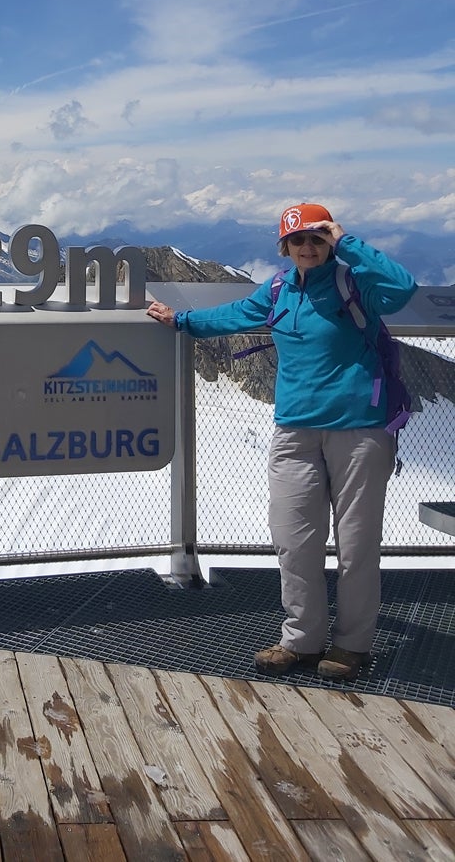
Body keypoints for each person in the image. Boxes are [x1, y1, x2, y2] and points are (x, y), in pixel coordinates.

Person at [146, 202, 416, 683]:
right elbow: (233, 315)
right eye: (299, 240)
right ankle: (302, 638)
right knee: (294, 541)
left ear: (328, 240)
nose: (308, 248)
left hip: (360, 430)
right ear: (285, 247)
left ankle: (353, 646)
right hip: (294, 431)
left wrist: (347, 241)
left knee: (356, 546)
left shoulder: (353, 282)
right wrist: (181, 321)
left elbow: (403, 288)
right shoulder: (277, 289)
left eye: (316, 238)